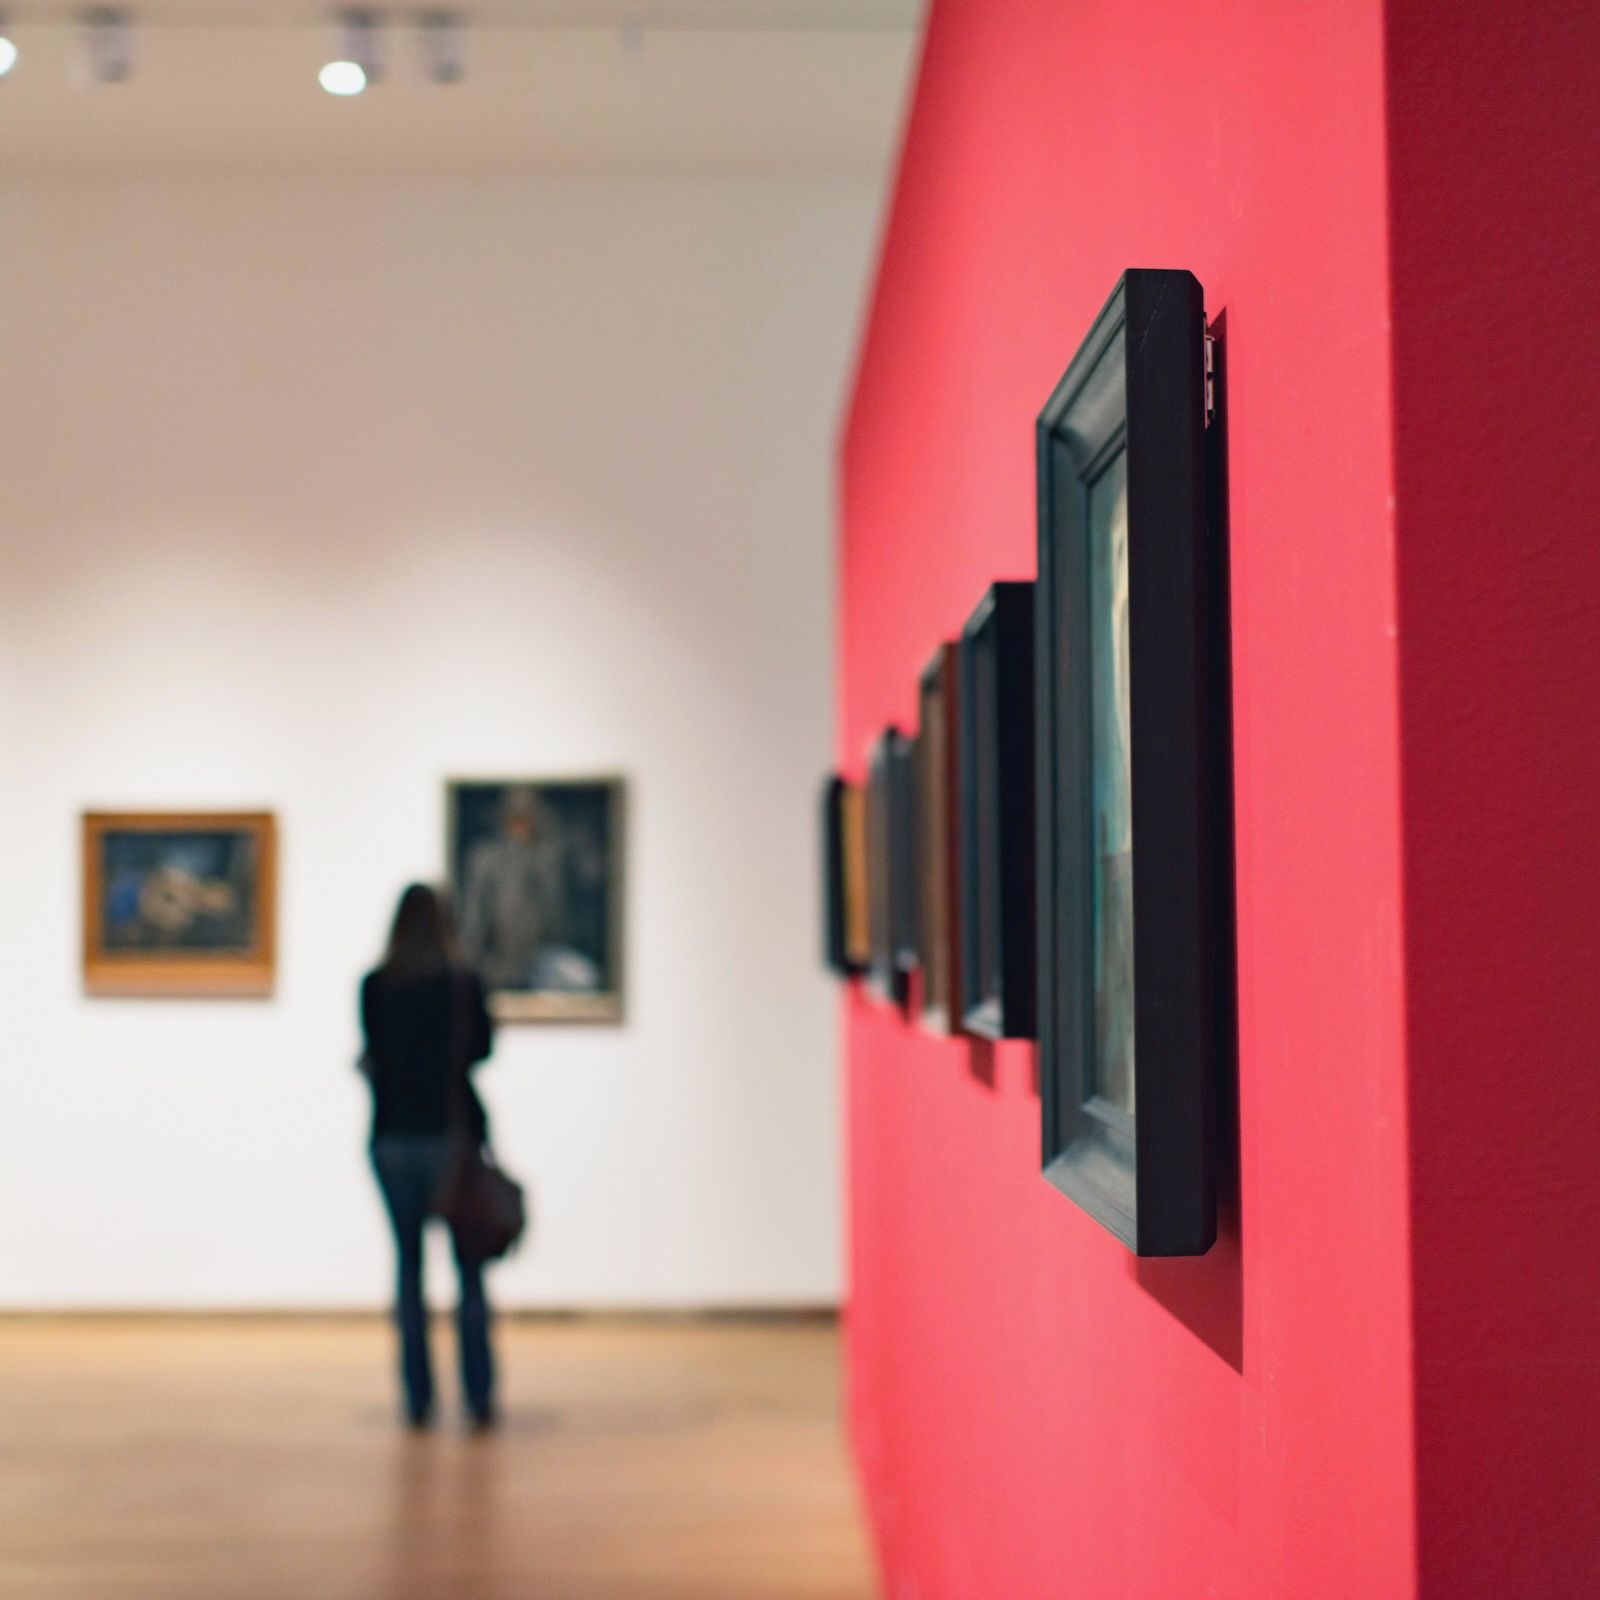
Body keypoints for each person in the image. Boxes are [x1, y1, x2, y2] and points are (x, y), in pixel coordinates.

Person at [359, 883, 497, 1429]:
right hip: (450, 1136)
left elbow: (374, 1052)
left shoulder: (376, 986)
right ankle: (479, 1394)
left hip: (393, 1136)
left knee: (409, 1267)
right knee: (468, 1272)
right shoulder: (461, 984)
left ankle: (417, 1399)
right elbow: (482, 1049)